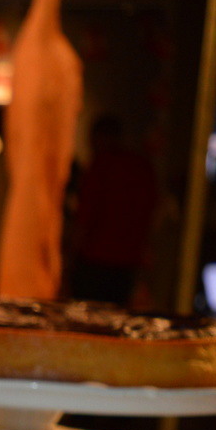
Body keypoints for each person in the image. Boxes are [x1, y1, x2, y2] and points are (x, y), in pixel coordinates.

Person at [66, 114, 159, 307]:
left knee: (87, 315)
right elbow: (151, 214)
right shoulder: (142, 168)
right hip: (128, 263)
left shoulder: (101, 166)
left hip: (95, 260)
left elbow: (85, 217)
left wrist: (69, 258)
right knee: (118, 316)